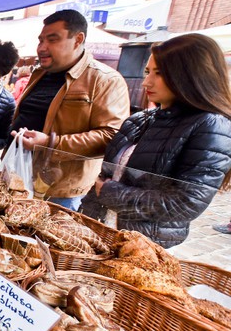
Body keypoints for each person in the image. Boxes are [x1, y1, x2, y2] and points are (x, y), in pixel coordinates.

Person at [81, 34, 231, 248]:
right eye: (147, 72)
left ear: (191, 75)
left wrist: (110, 193)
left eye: (159, 73)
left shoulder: (211, 125)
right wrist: (84, 217)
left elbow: (187, 202)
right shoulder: (139, 119)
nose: (146, 82)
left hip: (143, 246)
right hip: (101, 232)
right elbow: (107, 176)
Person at [10, 9, 129, 210]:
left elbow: (111, 136)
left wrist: (49, 143)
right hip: (19, 174)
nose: (42, 48)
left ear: (78, 39)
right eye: (41, 40)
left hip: (59, 189)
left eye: (52, 40)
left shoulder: (105, 80)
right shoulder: (39, 74)